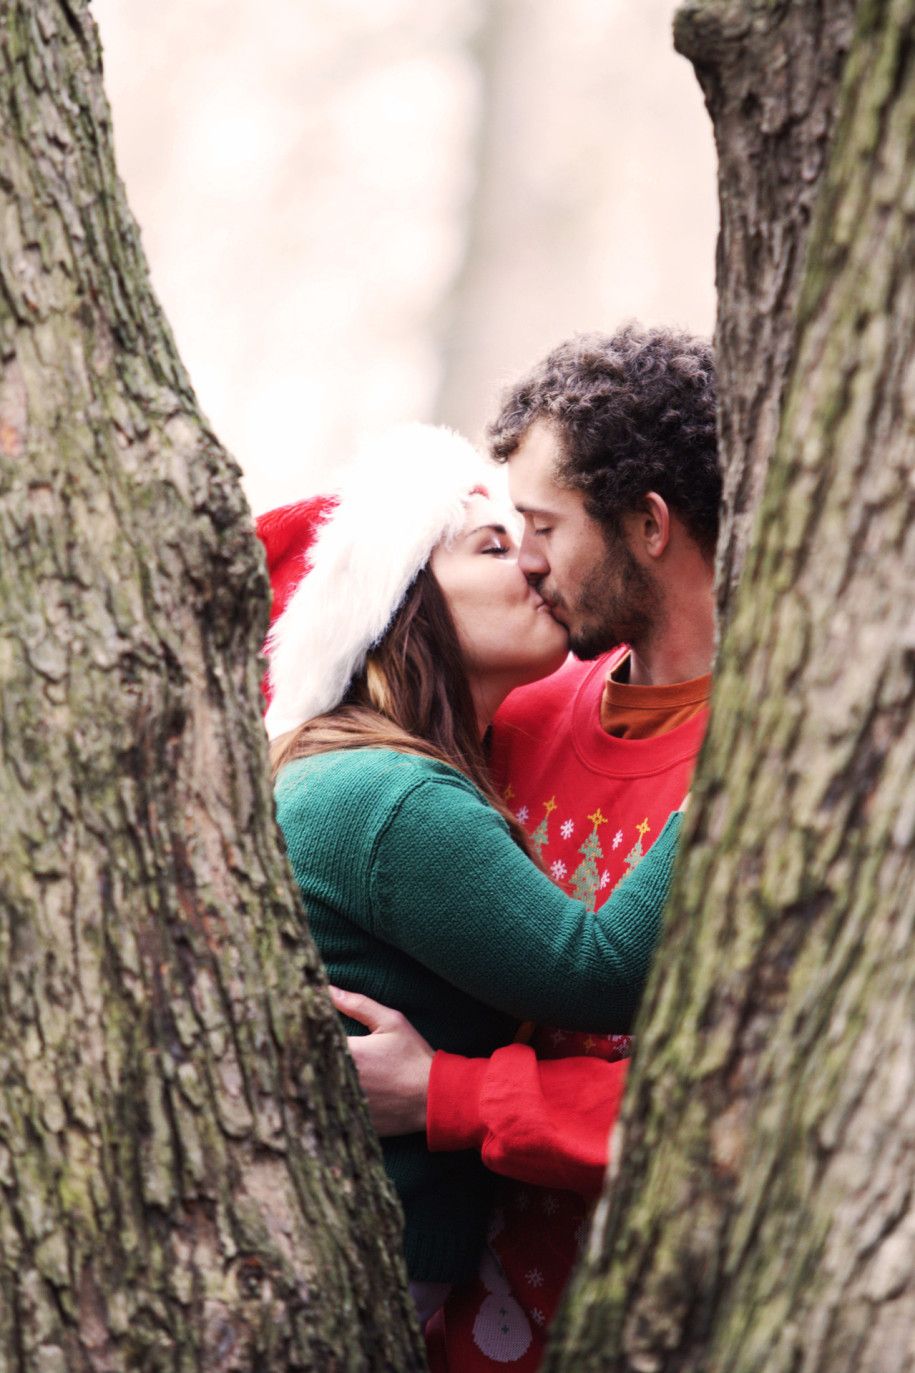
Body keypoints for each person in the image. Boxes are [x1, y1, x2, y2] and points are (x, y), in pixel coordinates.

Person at [332, 325, 720, 1369]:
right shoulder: (519, 710)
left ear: (648, 524)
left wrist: (450, 1093)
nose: (529, 561)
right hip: (445, 1313)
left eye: (539, 526)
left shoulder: (777, 765)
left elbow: (736, 1102)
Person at [257, 421, 687, 1325]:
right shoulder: (383, 794)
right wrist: (741, 768)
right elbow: (597, 974)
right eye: (492, 545)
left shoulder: (376, 773)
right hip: (356, 1263)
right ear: (401, 604)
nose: (532, 564)